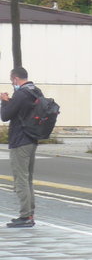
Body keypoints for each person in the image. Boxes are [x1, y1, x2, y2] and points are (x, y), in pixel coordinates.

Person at [1, 67, 41, 227]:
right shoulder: (35, 91)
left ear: (16, 79)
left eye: (12, 81)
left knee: (21, 180)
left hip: (20, 141)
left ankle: (25, 216)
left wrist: (4, 102)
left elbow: (5, 116)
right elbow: (23, 111)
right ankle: (29, 214)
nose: (12, 84)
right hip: (32, 139)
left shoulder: (21, 94)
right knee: (28, 179)